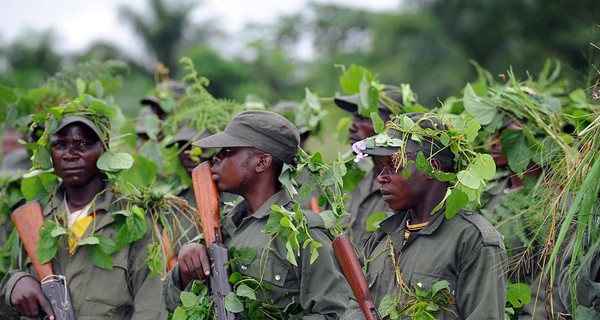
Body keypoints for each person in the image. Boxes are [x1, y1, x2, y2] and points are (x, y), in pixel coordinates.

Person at [162, 110, 350, 318]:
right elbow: (171, 303)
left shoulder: (303, 233)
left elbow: (334, 314)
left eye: (228, 151)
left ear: (262, 162)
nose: (216, 157)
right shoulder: (224, 225)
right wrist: (185, 272)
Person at [342, 113, 507, 319]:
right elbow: (354, 304)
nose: (381, 178)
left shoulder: (473, 240)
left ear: (432, 169)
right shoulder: (381, 238)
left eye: (393, 166)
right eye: (381, 167)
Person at [0, 113, 165, 319]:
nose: (70, 154)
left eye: (83, 143)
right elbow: (8, 296)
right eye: (59, 145)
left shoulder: (133, 219)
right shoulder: (34, 219)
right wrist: (15, 283)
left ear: (103, 149)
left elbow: (151, 304)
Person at [333, 85, 399, 249]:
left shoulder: (404, 186)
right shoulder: (358, 180)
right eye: (355, 118)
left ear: (392, 124)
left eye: (363, 118)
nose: (352, 126)